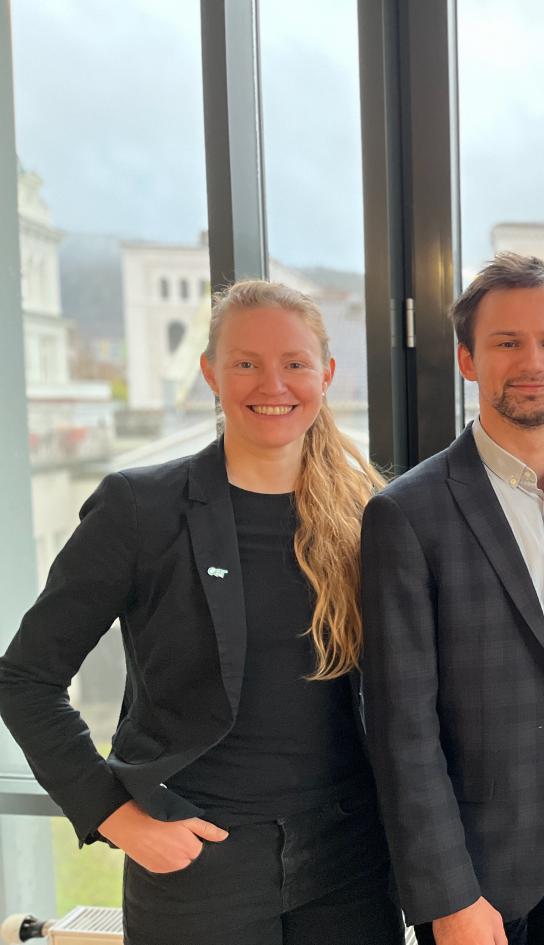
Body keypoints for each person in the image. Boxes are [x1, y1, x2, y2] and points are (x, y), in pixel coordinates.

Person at [0, 280, 402, 945]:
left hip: (350, 860)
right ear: (211, 372)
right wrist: (114, 815)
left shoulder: (368, 517)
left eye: (295, 363)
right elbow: (25, 677)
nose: (272, 382)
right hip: (198, 862)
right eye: (246, 362)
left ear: (325, 375)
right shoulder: (139, 509)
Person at [359, 252, 544, 945]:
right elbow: (401, 725)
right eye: (506, 342)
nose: (531, 360)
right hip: (478, 855)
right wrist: (448, 892)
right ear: (468, 359)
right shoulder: (407, 513)